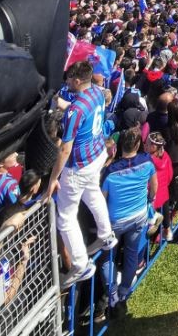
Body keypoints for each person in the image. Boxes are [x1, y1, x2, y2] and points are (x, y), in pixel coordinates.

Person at [44, 60, 116, 287]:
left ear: (76, 80)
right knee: (92, 193)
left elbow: (65, 149)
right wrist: (57, 102)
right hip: (97, 155)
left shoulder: (76, 110)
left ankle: (80, 263)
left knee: (65, 217)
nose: (66, 81)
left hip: (79, 165)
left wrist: (54, 178)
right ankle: (105, 234)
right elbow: (76, 108)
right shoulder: (95, 92)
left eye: (68, 79)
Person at [100, 126, 157, 315]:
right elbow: (154, 187)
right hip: (138, 216)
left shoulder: (110, 171)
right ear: (139, 144)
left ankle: (113, 294)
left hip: (115, 221)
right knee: (131, 254)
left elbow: (102, 198)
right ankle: (124, 292)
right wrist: (148, 200)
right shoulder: (147, 162)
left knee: (109, 257)